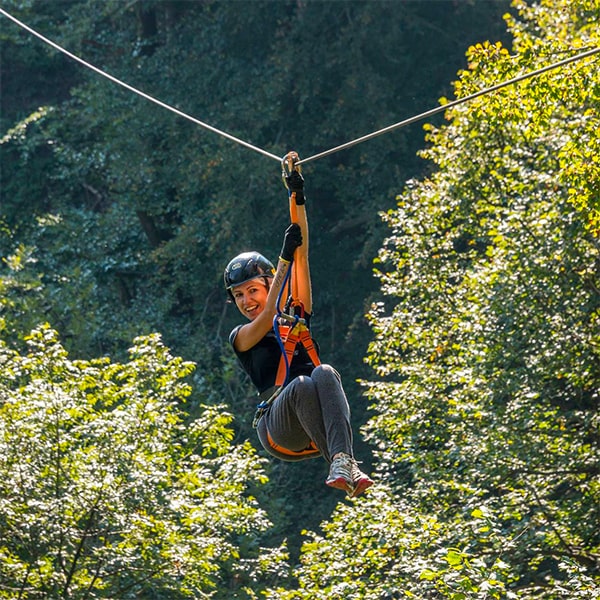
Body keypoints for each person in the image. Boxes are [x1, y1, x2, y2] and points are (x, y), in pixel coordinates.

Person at [223, 155, 373, 497]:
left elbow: (301, 251)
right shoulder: (242, 338)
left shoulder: (295, 313)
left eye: (252, 291)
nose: (246, 301)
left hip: (313, 422)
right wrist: (282, 260)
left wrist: (296, 192)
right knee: (304, 383)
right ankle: (339, 460)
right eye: (239, 296)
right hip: (278, 428)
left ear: (267, 284)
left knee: (324, 373)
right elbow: (267, 315)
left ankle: (343, 462)